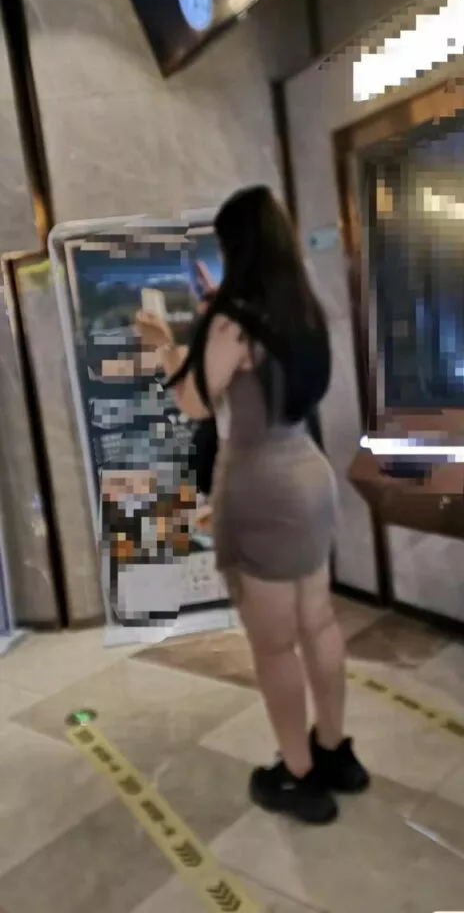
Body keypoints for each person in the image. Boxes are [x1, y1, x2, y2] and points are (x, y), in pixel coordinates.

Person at [136, 186, 369, 825]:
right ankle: (335, 752)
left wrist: (164, 344)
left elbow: (193, 402)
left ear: (236, 247)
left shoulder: (232, 320)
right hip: (309, 474)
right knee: (318, 622)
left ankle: (298, 776)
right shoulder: (302, 307)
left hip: (261, 485)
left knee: (273, 644)